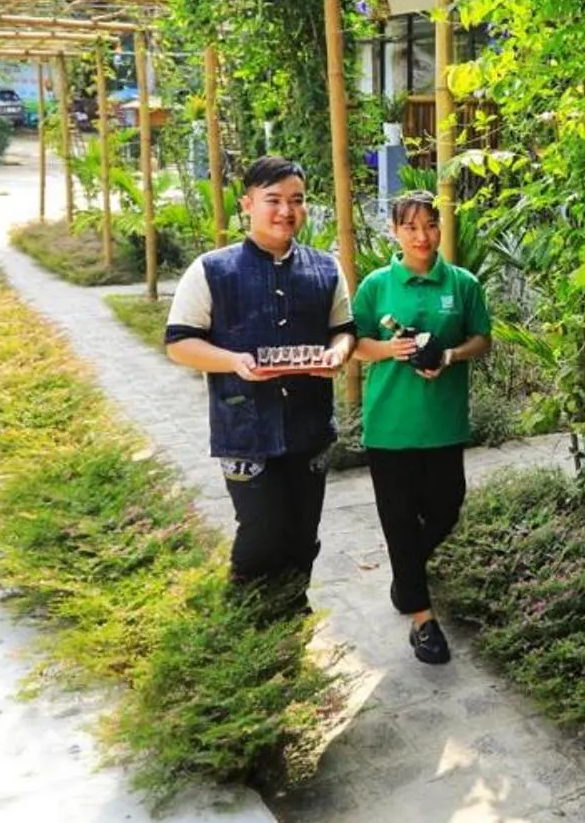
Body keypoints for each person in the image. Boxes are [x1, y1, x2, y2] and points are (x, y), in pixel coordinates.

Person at [162, 156, 355, 618]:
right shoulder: (212, 269)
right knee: (261, 528)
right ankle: (244, 611)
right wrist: (233, 362)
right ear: (247, 204)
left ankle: (292, 608)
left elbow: (344, 330)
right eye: (273, 200)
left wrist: (337, 354)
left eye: (296, 200)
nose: (286, 211)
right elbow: (179, 343)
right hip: (244, 427)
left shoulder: (325, 268)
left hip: (309, 425)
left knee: (303, 532)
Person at [351, 192, 492, 664]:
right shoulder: (376, 285)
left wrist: (449, 354)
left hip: (444, 424)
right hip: (389, 425)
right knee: (398, 520)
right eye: (410, 227)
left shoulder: (463, 283)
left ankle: (405, 572)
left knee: (446, 508)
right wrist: (390, 350)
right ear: (394, 232)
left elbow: (482, 339)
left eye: (430, 225)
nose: (422, 236)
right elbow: (356, 343)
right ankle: (422, 621)